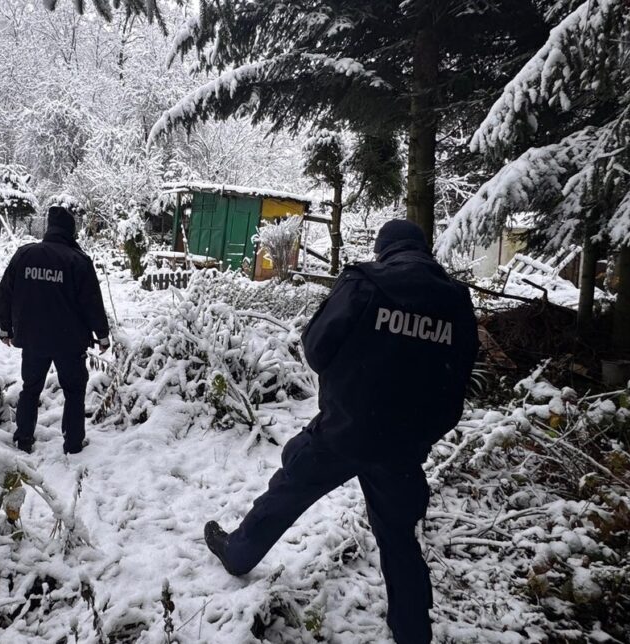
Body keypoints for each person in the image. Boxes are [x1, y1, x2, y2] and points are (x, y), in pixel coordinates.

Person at [204, 220, 478, 644]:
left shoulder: (365, 282)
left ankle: (238, 554)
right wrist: (422, 433)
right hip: (402, 445)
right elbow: (458, 385)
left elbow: (315, 348)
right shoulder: (456, 302)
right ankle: (412, 632)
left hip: (345, 429)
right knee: (399, 537)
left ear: (384, 249)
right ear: (423, 250)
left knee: (287, 491)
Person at [0, 205, 110, 455]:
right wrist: (102, 334)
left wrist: (6, 328)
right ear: (70, 231)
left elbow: (5, 293)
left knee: (30, 388)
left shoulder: (24, 255)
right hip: (70, 341)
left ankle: (23, 438)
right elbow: (92, 301)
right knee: (74, 390)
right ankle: (73, 443)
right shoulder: (78, 261)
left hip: (33, 338)